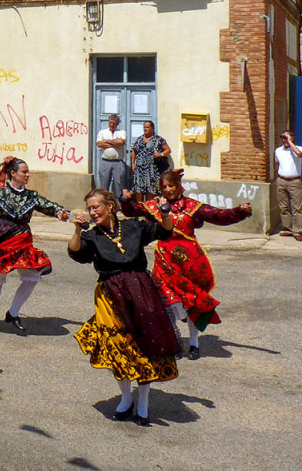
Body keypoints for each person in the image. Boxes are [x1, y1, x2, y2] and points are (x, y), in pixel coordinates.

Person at [69, 188, 178, 426]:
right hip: (110, 293)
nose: (92, 212)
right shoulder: (92, 235)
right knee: (117, 345)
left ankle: (143, 402)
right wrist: (78, 229)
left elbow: (164, 230)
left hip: (140, 289)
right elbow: (76, 252)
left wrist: (164, 212)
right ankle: (126, 397)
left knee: (144, 345)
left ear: (110, 206)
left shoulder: (132, 227)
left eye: (96, 207)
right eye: (89, 209)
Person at [122, 169, 252, 358]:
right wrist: (126, 199)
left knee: (191, 303)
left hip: (191, 263)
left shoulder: (193, 206)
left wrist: (239, 211)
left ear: (179, 186)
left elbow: (218, 215)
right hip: (165, 262)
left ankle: (193, 342)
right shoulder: (155, 206)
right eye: (164, 187)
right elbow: (132, 210)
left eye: (171, 186)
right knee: (166, 302)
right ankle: (172, 342)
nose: (168, 190)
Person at [0, 156, 70, 333]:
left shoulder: (31, 196)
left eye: (27, 172)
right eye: (24, 172)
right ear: (13, 174)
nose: (27, 175)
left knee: (33, 274)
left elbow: (49, 206)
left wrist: (60, 212)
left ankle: (13, 313)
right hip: (0, 238)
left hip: (22, 239)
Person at [274, 129, 302, 241]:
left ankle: (296, 231)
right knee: (284, 207)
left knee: (297, 207)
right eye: (282, 137)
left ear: (292, 137)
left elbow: (299, 155)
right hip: (281, 180)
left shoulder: (299, 149)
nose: (284, 140)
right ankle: (287, 229)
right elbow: (278, 163)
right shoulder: (278, 150)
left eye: (286, 137)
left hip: (294, 182)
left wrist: (291, 143)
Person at [129, 121, 170, 197]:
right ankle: (139, 207)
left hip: (152, 170)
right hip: (140, 170)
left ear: (152, 128)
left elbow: (168, 150)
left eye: (147, 127)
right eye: (144, 127)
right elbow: (134, 151)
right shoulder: (139, 139)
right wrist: (133, 164)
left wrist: (160, 154)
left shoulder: (158, 139)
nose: (145, 129)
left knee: (151, 190)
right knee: (138, 190)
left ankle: (148, 207)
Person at [95, 114, 128, 197]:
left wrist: (106, 141)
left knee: (119, 184)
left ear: (117, 123)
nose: (111, 125)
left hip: (118, 162)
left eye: (114, 123)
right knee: (104, 184)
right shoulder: (102, 132)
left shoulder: (121, 132)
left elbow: (121, 142)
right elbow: (99, 144)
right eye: (110, 122)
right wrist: (114, 143)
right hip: (105, 161)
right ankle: (104, 203)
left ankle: (119, 205)